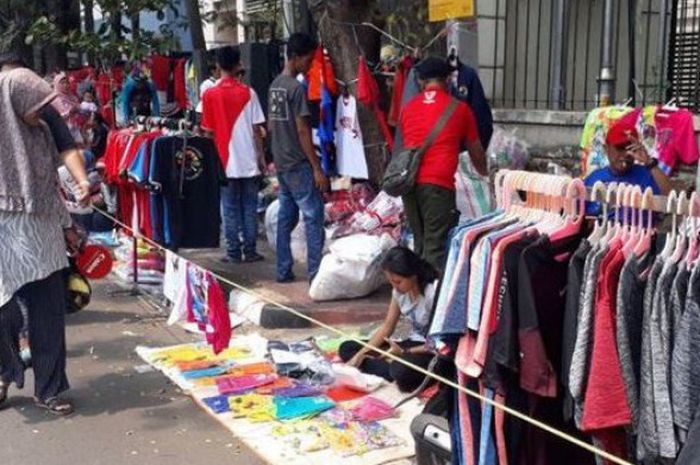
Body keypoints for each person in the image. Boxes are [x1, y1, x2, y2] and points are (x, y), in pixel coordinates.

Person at [0, 49, 89, 415]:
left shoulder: (35, 115)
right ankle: (5, 372)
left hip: (41, 217)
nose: (45, 110)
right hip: (4, 219)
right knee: (4, 310)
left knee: (48, 309)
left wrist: (80, 189)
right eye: (38, 102)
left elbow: (65, 146)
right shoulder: (15, 90)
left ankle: (49, 388)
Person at [399, 56, 487, 273]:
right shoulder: (460, 109)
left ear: (421, 82)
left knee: (418, 243)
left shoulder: (408, 108)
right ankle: (432, 303)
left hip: (408, 183)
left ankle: (414, 300)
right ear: (447, 80)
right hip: (438, 186)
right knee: (434, 248)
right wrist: (485, 176)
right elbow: (476, 151)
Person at [338, 247, 453, 393]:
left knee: (402, 372)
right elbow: (387, 327)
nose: (395, 287)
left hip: (430, 350)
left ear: (413, 275)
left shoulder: (432, 292)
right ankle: (388, 365)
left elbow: (442, 342)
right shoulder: (399, 292)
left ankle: (392, 367)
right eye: (391, 282)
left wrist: (405, 351)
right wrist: (361, 354)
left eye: (398, 282)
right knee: (348, 348)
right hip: (409, 345)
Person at [268, 32, 329, 283]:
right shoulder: (295, 88)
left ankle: (283, 270)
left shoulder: (275, 86)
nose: (310, 64)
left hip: (282, 161)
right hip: (298, 162)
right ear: (295, 57)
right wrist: (317, 167)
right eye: (308, 59)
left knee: (286, 217)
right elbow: (303, 129)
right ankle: (315, 274)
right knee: (314, 217)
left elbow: (272, 126)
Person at [202, 46, 266, 263]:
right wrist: (261, 158)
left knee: (228, 209)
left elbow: (208, 132)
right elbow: (258, 130)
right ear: (238, 64)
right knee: (249, 206)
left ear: (218, 66)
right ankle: (250, 251)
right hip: (249, 160)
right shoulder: (249, 92)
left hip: (223, 162)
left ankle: (232, 252)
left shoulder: (210, 94)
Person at [585, 118, 672, 217]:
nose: (626, 154)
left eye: (631, 149)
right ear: (606, 149)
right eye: (620, 148)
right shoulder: (595, 178)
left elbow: (670, 200)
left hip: (638, 230)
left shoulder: (647, 174)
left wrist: (648, 161)